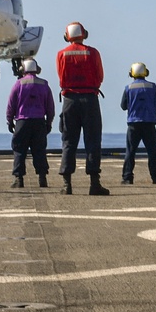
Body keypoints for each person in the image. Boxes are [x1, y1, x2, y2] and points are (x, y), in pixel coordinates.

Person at [56, 21, 109, 195]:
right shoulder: (92, 53)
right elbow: (99, 75)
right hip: (90, 99)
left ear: (67, 37)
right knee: (93, 141)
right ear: (84, 34)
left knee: (68, 141)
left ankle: (66, 184)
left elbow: (61, 77)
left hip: (69, 100)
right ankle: (94, 183)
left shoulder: (61, 54)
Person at [6, 58, 54, 188]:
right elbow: (50, 106)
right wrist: (49, 122)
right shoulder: (44, 84)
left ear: (23, 69)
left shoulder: (18, 84)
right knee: (39, 150)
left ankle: (19, 179)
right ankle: (42, 178)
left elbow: (11, 105)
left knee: (19, 150)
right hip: (39, 122)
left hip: (22, 122)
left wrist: (9, 121)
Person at [120, 62, 156, 185]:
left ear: (131, 74)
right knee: (153, 152)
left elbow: (123, 106)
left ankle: (127, 177)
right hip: (149, 123)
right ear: (146, 72)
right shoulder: (153, 87)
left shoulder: (128, 88)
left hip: (134, 124)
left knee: (130, 152)